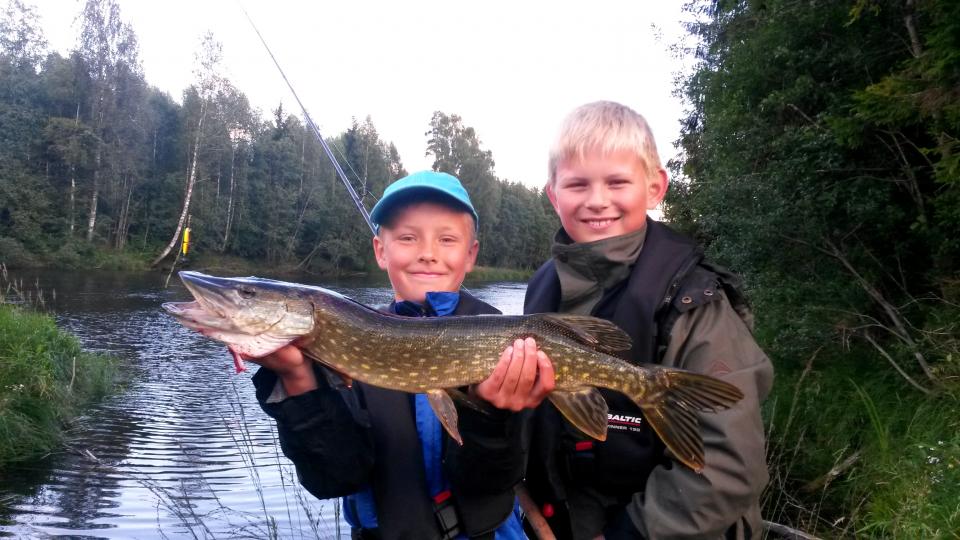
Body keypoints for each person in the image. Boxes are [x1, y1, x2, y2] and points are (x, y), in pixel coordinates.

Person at [248, 170, 552, 540]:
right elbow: (333, 477)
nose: (427, 254)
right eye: (408, 238)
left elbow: (495, 479)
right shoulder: (340, 345)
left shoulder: (507, 341)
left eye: (447, 239)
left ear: (470, 254)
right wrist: (297, 380)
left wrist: (492, 417)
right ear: (381, 250)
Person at [522, 101, 774, 539]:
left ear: (655, 188)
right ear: (554, 194)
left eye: (617, 182)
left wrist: (628, 534)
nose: (597, 200)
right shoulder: (545, 288)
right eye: (578, 184)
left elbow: (729, 463)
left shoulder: (695, 303)